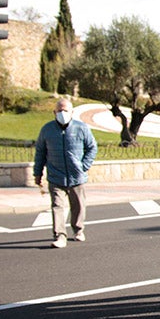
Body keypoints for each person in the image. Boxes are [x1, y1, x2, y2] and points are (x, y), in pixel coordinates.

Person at [33, 97, 98, 249]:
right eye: (59, 110)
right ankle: (60, 235)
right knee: (57, 206)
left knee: (78, 206)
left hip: (77, 176)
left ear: (72, 112)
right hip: (56, 176)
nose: (62, 113)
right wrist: (38, 173)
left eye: (65, 110)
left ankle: (78, 229)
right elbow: (40, 152)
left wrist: (83, 166)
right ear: (54, 112)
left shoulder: (81, 128)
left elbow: (92, 147)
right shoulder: (47, 130)